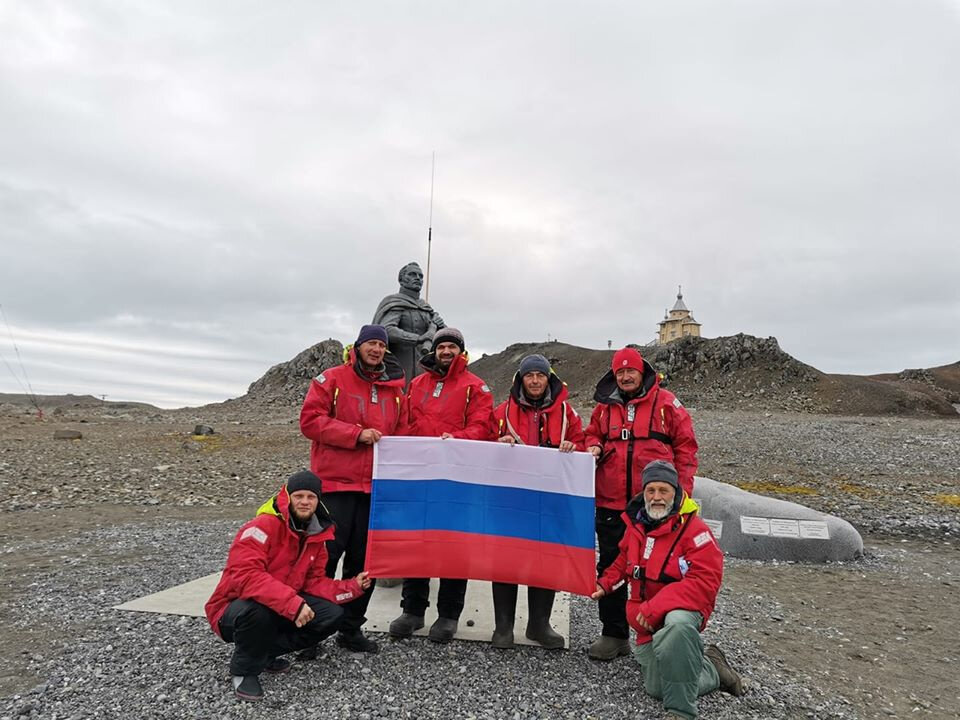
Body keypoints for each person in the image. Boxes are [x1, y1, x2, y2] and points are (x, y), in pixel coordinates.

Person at [592, 460, 744, 719]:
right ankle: (713, 668)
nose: (657, 497)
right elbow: (622, 563)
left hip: (679, 615)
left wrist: (655, 607)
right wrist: (604, 584)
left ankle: (681, 711)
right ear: (644, 493)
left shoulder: (696, 531)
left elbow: (704, 583)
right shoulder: (637, 526)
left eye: (664, 490)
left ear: (676, 492)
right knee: (657, 688)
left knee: (677, 625)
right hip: (646, 622)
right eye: (651, 491)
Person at [205, 471, 372, 702]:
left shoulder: (316, 536)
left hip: (280, 606)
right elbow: (245, 575)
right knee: (258, 610)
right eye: (299, 496)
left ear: (318, 501)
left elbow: (314, 583)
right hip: (232, 609)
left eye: (311, 497)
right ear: (288, 496)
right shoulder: (261, 526)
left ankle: (264, 653)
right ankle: (244, 670)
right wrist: (292, 603)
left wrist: (353, 586)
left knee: (331, 615)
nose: (305, 502)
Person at [584, 346, 699, 660]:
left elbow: (686, 448)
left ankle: (662, 636)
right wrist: (593, 445)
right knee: (611, 564)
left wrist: (682, 493)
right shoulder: (605, 407)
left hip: (655, 505)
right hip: (610, 502)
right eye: (620, 372)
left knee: (659, 568)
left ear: (642, 371)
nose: (625, 376)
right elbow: (591, 433)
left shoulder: (666, 403)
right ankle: (614, 634)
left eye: (630, 371)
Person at [299, 324, 406, 653]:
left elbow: (403, 434)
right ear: (357, 346)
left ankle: (350, 627)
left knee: (364, 561)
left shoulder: (395, 391)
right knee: (324, 559)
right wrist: (354, 434)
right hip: (335, 485)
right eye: (371, 343)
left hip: (374, 489)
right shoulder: (331, 379)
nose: (376, 349)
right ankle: (310, 631)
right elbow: (310, 421)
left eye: (381, 345)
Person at [387, 328, 497, 642]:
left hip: (457, 479)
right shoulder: (418, 384)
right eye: (442, 346)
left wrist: (456, 440)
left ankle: (448, 614)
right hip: (420, 476)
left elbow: (482, 426)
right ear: (435, 351)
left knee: (454, 545)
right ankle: (413, 610)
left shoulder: (475, 387)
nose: (446, 351)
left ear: (461, 352)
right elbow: (405, 422)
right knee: (416, 541)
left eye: (452, 346)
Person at [491, 353, 586, 649]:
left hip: (550, 499)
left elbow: (583, 442)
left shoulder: (568, 414)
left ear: (549, 379)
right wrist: (497, 443)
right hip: (511, 498)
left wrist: (575, 446)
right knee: (506, 559)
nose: (534, 381)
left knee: (545, 559)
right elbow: (481, 446)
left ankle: (539, 625)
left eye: (540, 376)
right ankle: (503, 626)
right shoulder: (502, 412)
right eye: (529, 376)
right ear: (521, 379)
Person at [372, 261, 446, 387]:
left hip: (424, 371)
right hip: (398, 369)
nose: (418, 278)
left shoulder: (426, 308)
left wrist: (442, 327)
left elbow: (445, 340)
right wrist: (418, 338)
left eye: (420, 276)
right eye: (412, 274)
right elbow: (386, 330)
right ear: (401, 279)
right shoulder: (394, 302)